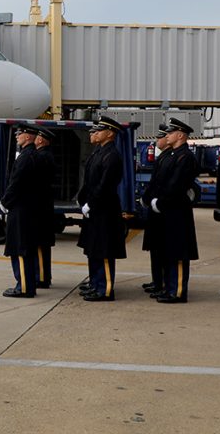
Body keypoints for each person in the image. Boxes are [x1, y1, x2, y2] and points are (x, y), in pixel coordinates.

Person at [148, 118, 199, 303]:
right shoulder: (173, 155)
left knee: (177, 252)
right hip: (168, 211)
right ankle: (169, 288)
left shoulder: (185, 157)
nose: (166, 136)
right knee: (169, 251)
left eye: (170, 133)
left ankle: (177, 291)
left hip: (177, 211)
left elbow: (176, 185)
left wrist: (160, 202)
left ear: (180, 135)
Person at [76, 115, 126, 302]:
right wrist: (84, 200)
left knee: (104, 251)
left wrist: (92, 203)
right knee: (94, 248)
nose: (94, 133)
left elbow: (105, 185)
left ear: (110, 133)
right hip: (95, 209)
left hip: (104, 209)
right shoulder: (99, 152)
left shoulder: (112, 155)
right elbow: (89, 181)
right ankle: (96, 284)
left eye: (99, 130)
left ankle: (105, 289)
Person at [0, 124, 47, 298]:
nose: (17, 137)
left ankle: (24, 287)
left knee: (20, 248)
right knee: (28, 248)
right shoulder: (35, 155)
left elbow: (17, 183)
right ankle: (29, 283)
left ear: (28, 137)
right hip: (30, 209)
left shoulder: (26, 157)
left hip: (21, 209)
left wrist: (5, 201)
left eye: (20, 134)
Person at [140, 124, 172, 297]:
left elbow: (162, 184)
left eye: (160, 137)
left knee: (161, 249)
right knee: (155, 248)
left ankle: (162, 282)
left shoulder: (169, 157)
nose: (157, 140)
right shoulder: (163, 157)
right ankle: (157, 280)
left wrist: (154, 200)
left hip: (161, 207)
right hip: (155, 206)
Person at [33, 126, 57, 288]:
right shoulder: (45, 155)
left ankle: (42, 277)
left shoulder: (42, 157)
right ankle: (42, 275)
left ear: (41, 140)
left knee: (40, 243)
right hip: (44, 204)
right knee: (41, 243)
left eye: (36, 137)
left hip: (41, 206)